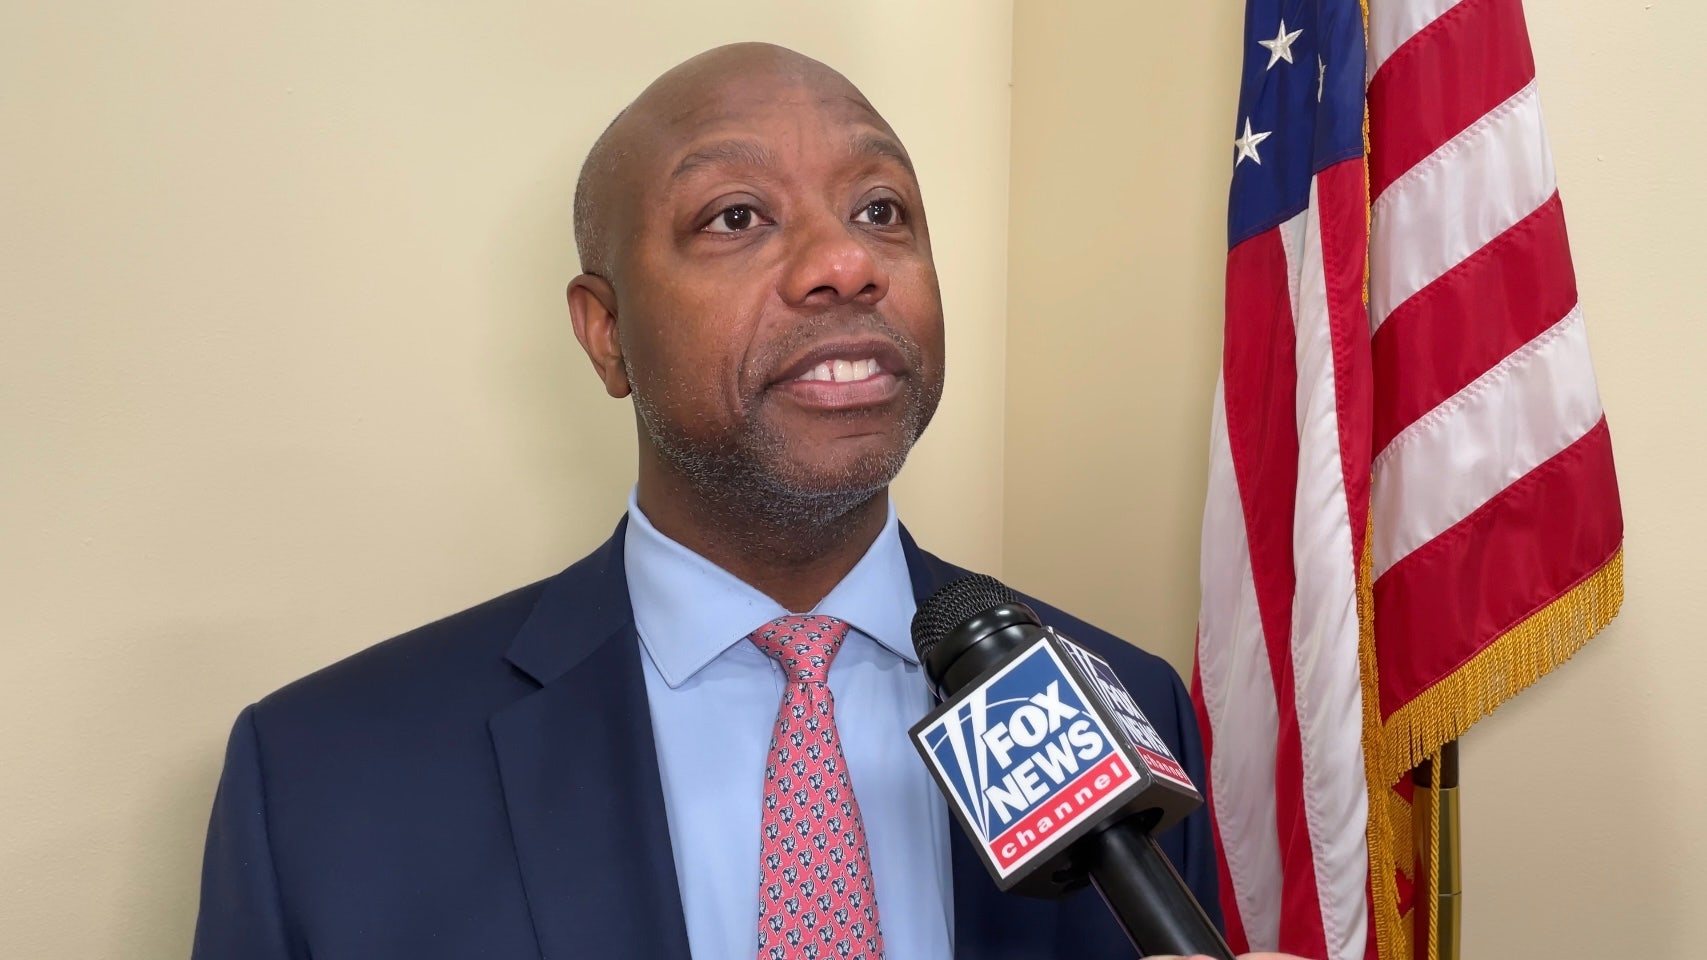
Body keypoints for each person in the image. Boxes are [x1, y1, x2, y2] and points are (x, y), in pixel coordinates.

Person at [190, 42, 1298, 960]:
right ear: (606, 332)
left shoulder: (1123, 702)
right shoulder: (323, 777)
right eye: (735, 217)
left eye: (881, 208)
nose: (845, 263)